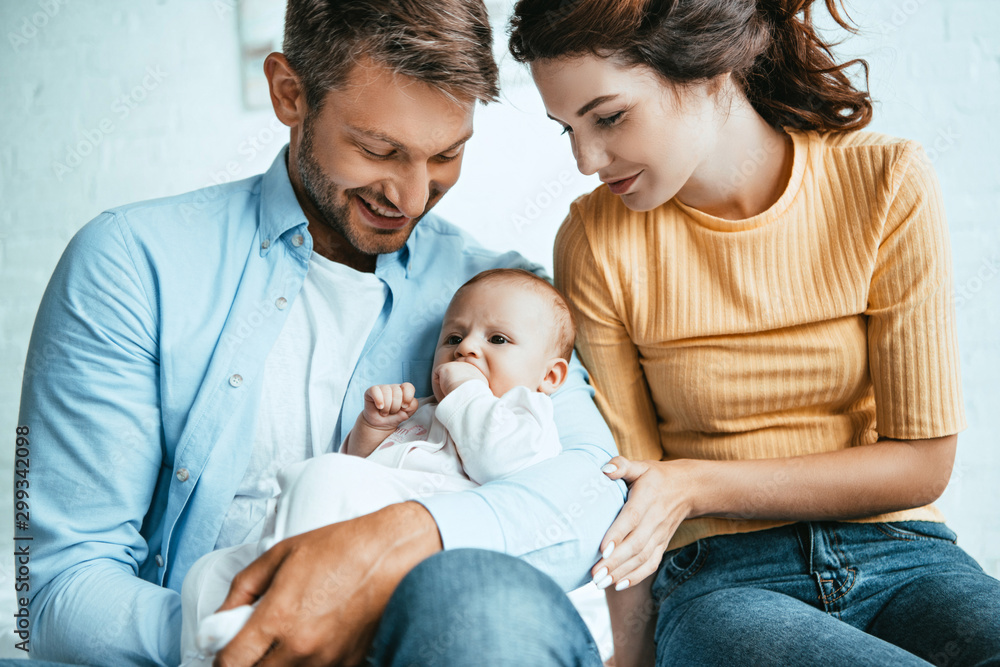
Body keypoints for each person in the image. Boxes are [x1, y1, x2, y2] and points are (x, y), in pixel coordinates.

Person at [18, 2, 624, 665]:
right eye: (378, 150)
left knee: (485, 604)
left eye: (447, 154)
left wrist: (403, 539)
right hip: (216, 648)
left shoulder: (500, 299)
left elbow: (591, 491)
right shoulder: (134, 264)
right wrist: (268, 631)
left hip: (438, 641)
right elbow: (59, 589)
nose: (414, 196)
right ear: (289, 93)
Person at [507, 0, 1000, 665]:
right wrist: (630, 655)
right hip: (721, 582)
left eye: (610, 117)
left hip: (906, 557)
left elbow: (922, 462)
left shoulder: (886, 183)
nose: (587, 158)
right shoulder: (596, 240)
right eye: (567, 129)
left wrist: (696, 483)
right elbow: (633, 490)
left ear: (710, 71)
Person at [179, 268, 575, 665]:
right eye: (453, 338)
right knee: (207, 572)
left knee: (325, 476)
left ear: (550, 375)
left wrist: (467, 390)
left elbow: (500, 463)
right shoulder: (422, 411)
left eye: (498, 339)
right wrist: (373, 428)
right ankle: (214, 651)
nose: (466, 348)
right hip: (346, 532)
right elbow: (359, 469)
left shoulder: (527, 416)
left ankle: (276, 612)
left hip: (408, 554)